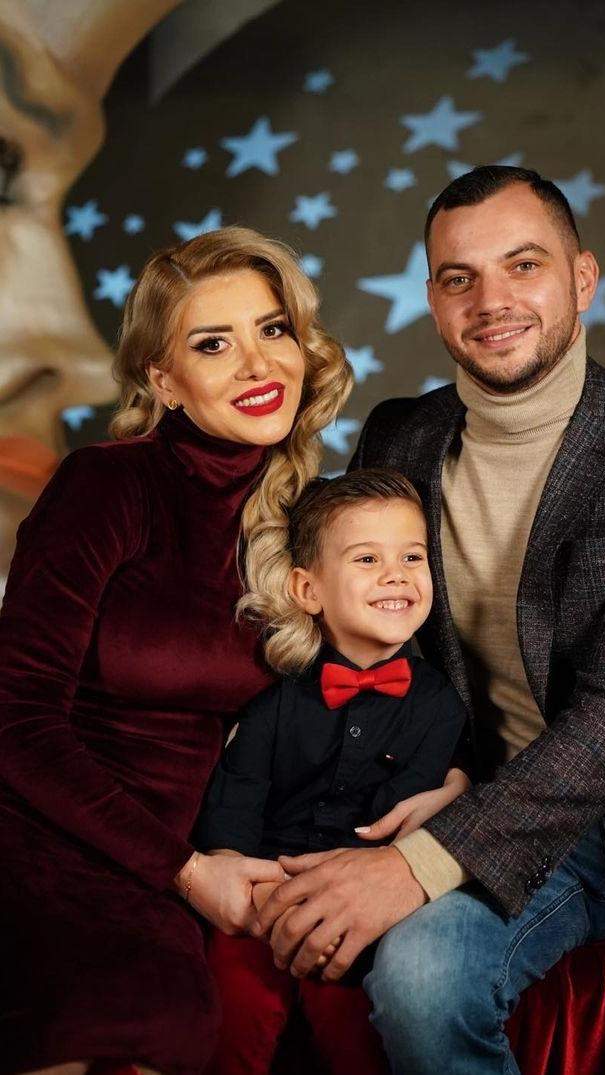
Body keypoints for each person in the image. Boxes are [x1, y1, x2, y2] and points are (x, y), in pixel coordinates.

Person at [249, 166, 605, 1075]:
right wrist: (444, 770)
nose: (490, 301)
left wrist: (417, 864)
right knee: (421, 982)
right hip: (505, 816)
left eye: (522, 265)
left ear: (582, 278)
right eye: (458, 277)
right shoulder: (400, 438)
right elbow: (382, 640)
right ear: (432, 301)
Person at [0, 225, 354, 1075]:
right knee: (117, 1015)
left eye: (272, 329)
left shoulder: (310, 519)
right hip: (37, 830)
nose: (257, 364)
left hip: (160, 863)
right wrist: (187, 871)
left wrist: (447, 773)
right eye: (212, 344)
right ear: (163, 380)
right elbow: (13, 717)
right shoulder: (106, 484)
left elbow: (365, 696)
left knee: (172, 1017)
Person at [194, 468, 469, 1075]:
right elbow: (237, 796)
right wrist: (248, 880)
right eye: (367, 558)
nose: (396, 574)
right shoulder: (272, 694)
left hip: (362, 900)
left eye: (412, 557)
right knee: (233, 1005)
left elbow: (402, 821)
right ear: (308, 589)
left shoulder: (440, 706)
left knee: (356, 1028)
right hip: (262, 890)